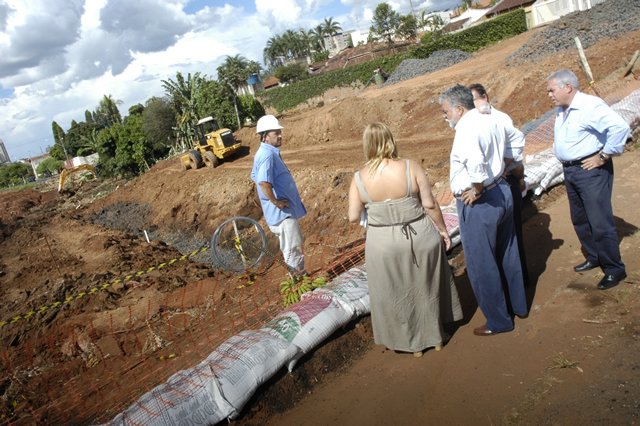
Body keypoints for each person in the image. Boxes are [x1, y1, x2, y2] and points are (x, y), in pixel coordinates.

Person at [348, 123, 462, 357]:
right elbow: (430, 204)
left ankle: (412, 343)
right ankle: (436, 337)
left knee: (395, 291)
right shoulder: (411, 167)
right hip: (419, 235)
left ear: (367, 145)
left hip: (382, 244)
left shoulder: (359, 178)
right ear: (390, 140)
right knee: (425, 286)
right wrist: (442, 230)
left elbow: (352, 216)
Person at [440, 84, 527, 336]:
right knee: (508, 252)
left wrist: (477, 190)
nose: (444, 117)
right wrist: (502, 166)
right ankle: (518, 305)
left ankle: (499, 321)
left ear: (459, 108)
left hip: (480, 202)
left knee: (481, 263)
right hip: (501, 190)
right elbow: (518, 139)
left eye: (446, 111)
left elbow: (476, 163)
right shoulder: (492, 118)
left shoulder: (466, 129)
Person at [547, 69, 630, 290]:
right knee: (580, 218)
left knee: (600, 222)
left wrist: (603, 156)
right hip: (572, 171)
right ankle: (595, 256)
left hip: (590, 171)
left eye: (552, 90)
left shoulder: (590, 106)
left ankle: (614, 269)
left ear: (567, 87)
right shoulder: (562, 110)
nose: (549, 95)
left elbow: (619, 127)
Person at [469, 83, 530, 285]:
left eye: (474, 99)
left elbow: (516, 145)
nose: (472, 105)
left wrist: (501, 170)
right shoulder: (476, 119)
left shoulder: (500, 119)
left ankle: (520, 282)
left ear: (485, 97)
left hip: (505, 181)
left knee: (512, 237)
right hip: (491, 184)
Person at [251, 115, 307, 276]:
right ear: (265, 136)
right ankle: (299, 281)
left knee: (292, 246)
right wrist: (276, 202)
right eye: (276, 133)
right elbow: (263, 182)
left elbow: (256, 177)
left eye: (279, 132)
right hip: (281, 215)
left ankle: (298, 278)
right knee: (293, 248)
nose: (280, 135)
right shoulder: (267, 155)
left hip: (281, 213)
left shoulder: (266, 153)